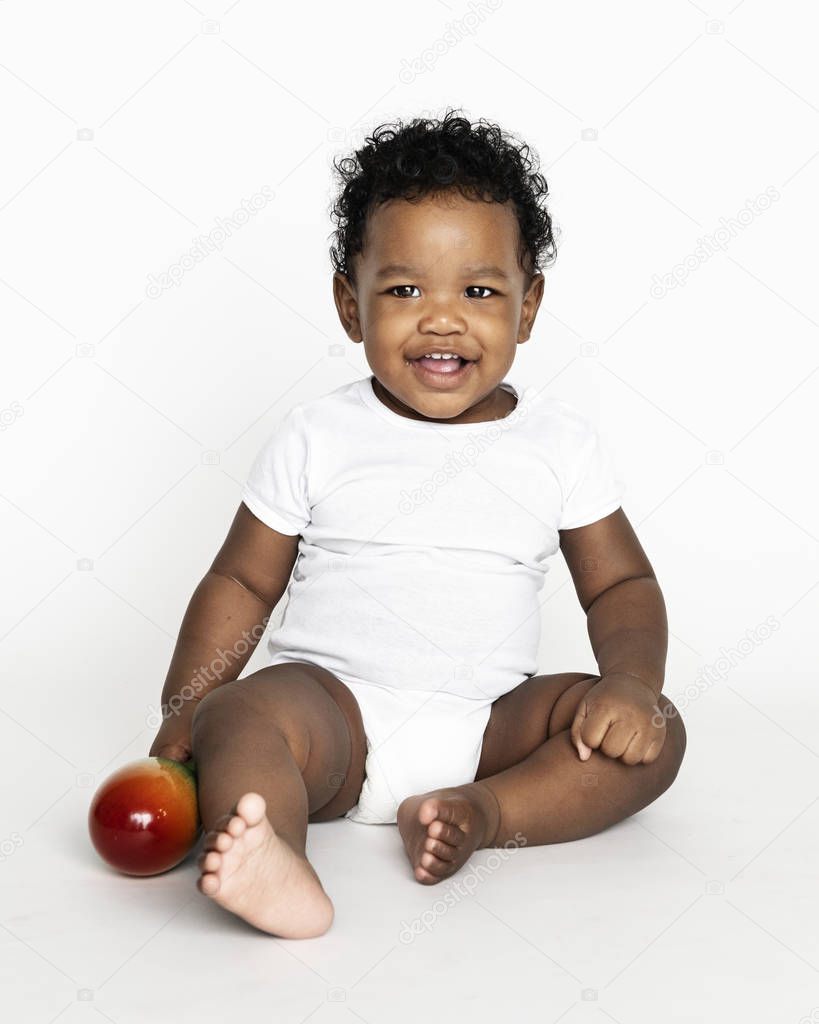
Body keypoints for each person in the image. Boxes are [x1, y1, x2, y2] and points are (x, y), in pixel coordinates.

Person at [148, 108, 686, 939]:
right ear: (350, 306)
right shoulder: (316, 435)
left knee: (655, 731)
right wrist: (188, 701)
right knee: (239, 718)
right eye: (403, 289)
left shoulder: (559, 442)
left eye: (478, 290)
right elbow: (242, 581)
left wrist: (628, 681)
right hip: (334, 718)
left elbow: (619, 582)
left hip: (489, 722)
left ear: (528, 305)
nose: (441, 317)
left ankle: (478, 810)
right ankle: (272, 853)